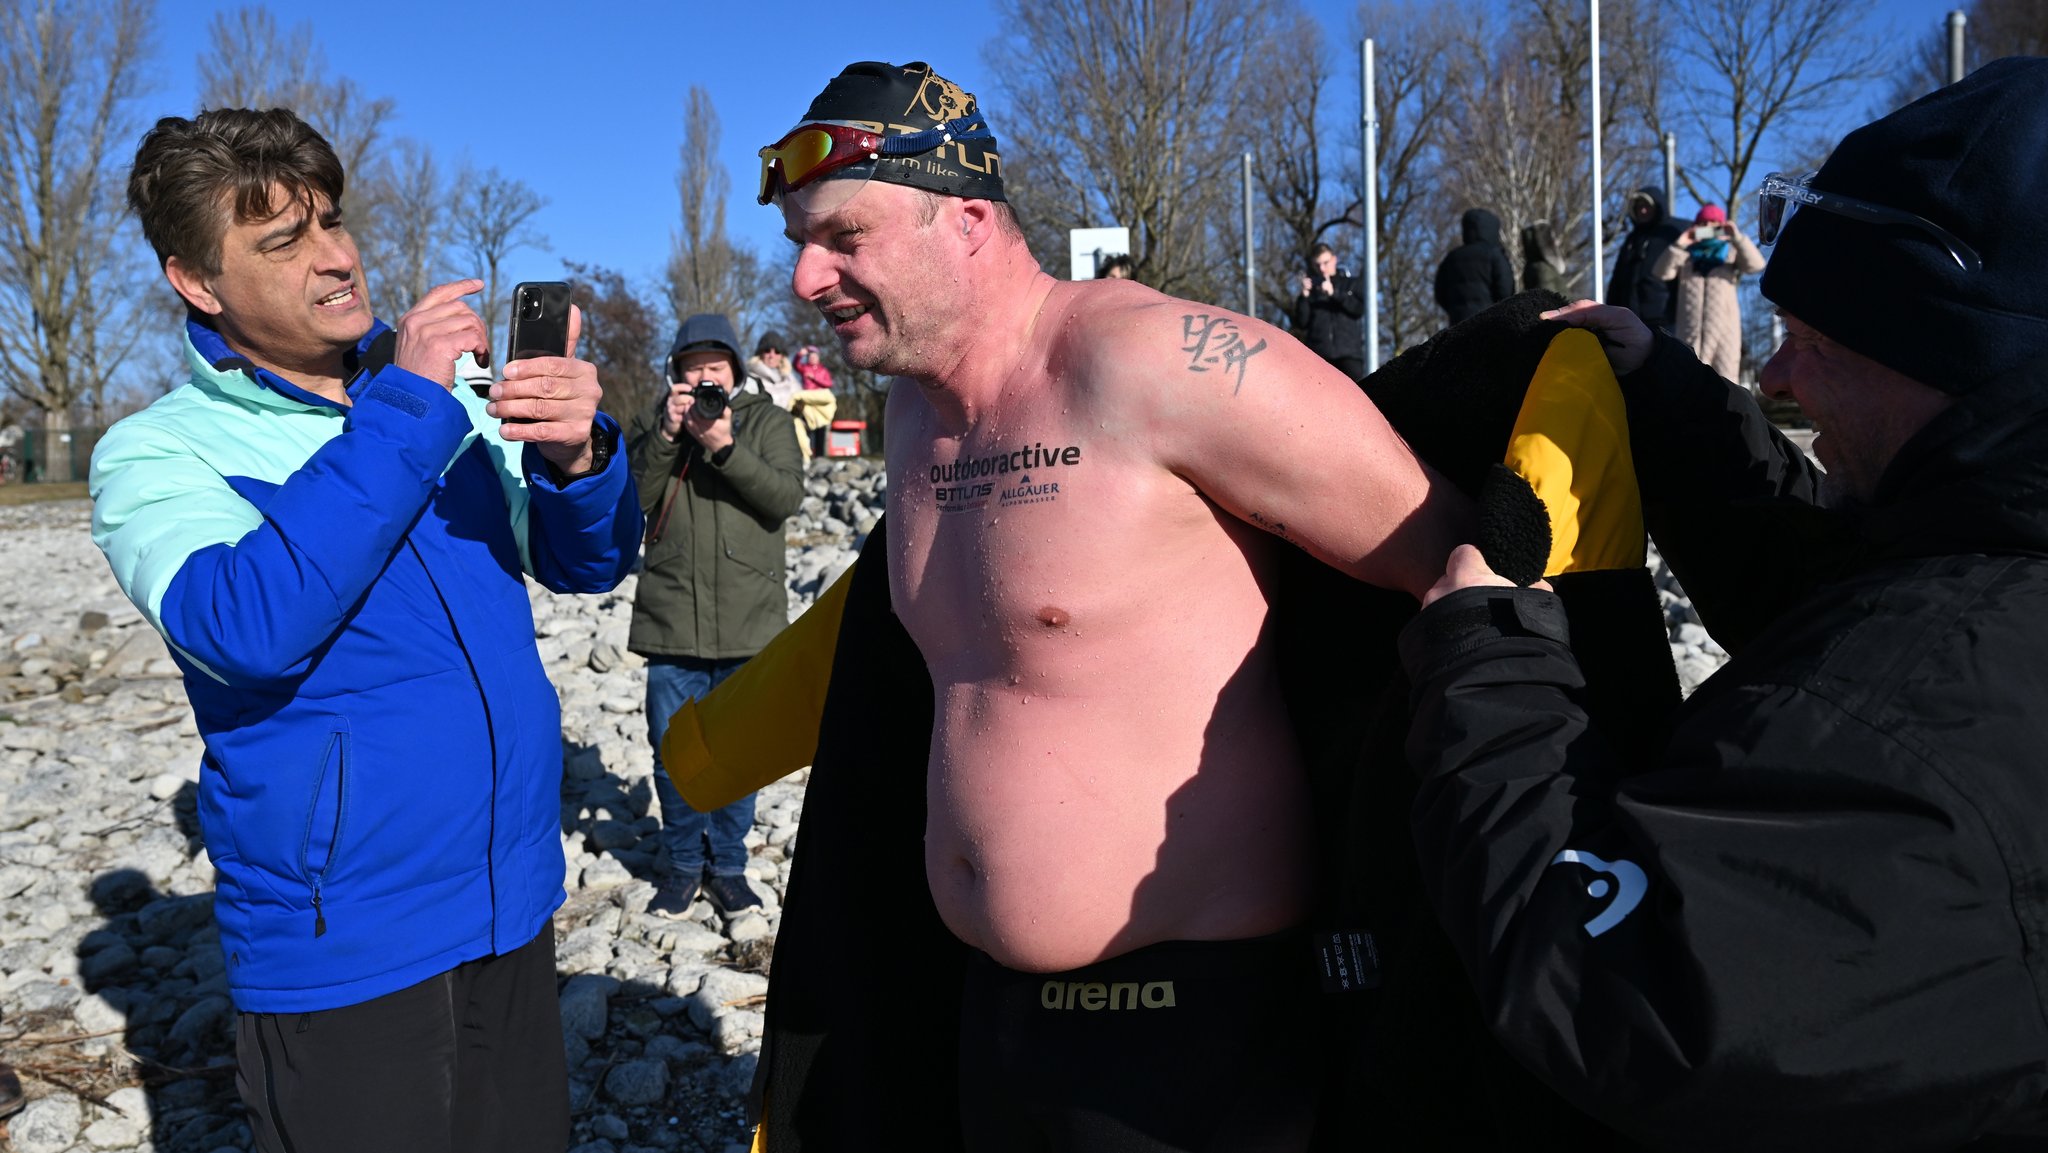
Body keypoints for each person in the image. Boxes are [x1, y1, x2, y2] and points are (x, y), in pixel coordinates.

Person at [762, 59, 1466, 1149]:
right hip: (987, 1011)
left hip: (1191, 1036)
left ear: (965, 221)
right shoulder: (912, 415)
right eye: (799, 242)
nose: (806, 278)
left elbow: (1455, 564)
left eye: (843, 238)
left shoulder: (1152, 365)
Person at [1400, 57, 2048, 1150]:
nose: (1777, 376)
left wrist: (1489, 667)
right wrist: (1669, 399)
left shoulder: (1933, 719)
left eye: (1821, 342)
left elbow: (1617, 983)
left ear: (1962, 366)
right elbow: (1846, 606)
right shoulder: (1983, 566)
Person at [91, 107, 641, 1153]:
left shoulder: (440, 400)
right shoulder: (155, 454)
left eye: (332, 221)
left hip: (509, 896)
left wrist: (578, 460)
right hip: (343, 942)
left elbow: (585, 561)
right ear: (197, 283)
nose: (338, 258)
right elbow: (245, 625)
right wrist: (405, 409)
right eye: (282, 241)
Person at [626, 314, 804, 918]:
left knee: (738, 753)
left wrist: (724, 447)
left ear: (734, 371)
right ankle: (680, 865)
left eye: (715, 367)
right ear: (676, 375)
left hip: (749, 622)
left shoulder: (767, 422)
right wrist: (667, 437)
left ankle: (728, 866)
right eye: (693, 367)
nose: (705, 377)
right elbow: (629, 504)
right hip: (672, 619)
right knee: (670, 753)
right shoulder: (657, 426)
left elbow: (784, 499)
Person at [1649, 204, 1765, 383]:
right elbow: (1661, 272)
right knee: (1688, 384)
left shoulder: (1731, 252)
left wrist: (1737, 238)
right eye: (1703, 224)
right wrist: (1681, 243)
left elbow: (1756, 265)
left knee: (1726, 386)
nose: (1708, 228)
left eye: (1714, 224)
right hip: (1690, 332)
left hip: (1724, 335)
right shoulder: (1686, 256)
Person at [1604, 186, 1686, 332]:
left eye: (1646, 206)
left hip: (1666, 318)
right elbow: (1617, 280)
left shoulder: (1676, 230)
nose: (1642, 211)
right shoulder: (1631, 240)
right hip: (1630, 318)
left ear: (1658, 206)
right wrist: (1611, 312)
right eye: (1639, 207)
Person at [1290, 241, 1368, 383]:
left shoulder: (1350, 284)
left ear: (1334, 259)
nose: (1322, 268)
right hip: (1319, 356)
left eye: (1325, 263)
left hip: (1349, 355)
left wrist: (1334, 293)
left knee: (1356, 398)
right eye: (1318, 264)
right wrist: (1304, 296)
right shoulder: (1312, 290)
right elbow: (1301, 323)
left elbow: (1358, 310)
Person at [1433, 207, 1516, 325]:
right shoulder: (1494, 254)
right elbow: (1505, 289)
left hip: (1457, 324)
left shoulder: (1451, 258)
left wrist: (1455, 310)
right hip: (1489, 322)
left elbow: (1440, 293)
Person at [1520, 220, 1566, 295]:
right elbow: (1547, 300)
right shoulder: (1542, 268)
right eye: (1552, 238)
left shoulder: (1538, 266)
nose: (1556, 242)